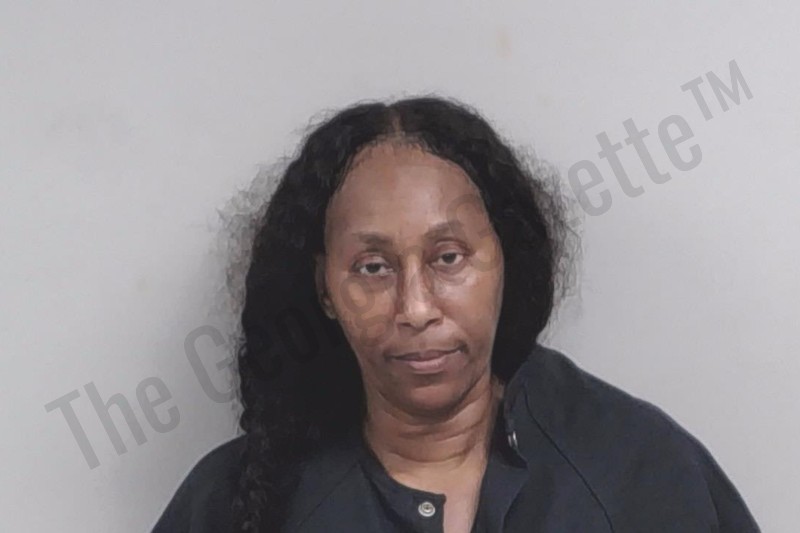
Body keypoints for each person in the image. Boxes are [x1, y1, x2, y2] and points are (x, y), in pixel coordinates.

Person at [150, 96, 760, 532]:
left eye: (448, 257)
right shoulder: (239, 500)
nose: (416, 308)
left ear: (505, 261)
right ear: (325, 288)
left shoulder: (638, 470)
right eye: (373, 267)